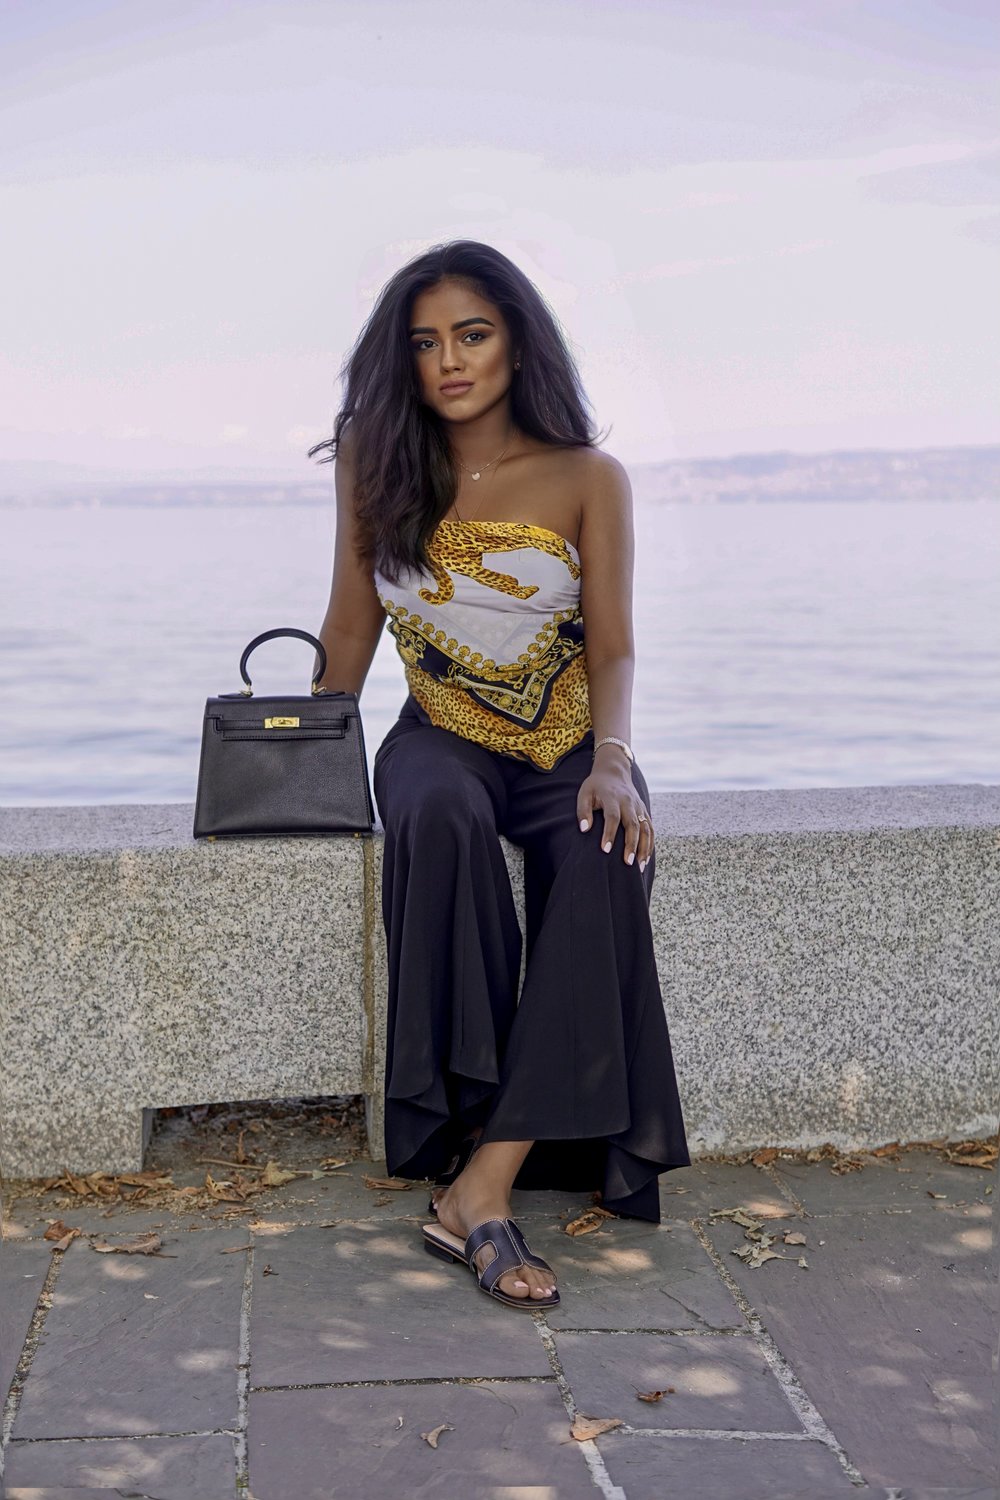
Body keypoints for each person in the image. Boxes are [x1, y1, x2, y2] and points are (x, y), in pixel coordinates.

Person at [309, 239, 690, 1311]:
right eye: (424, 342)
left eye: (471, 334)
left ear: (517, 345)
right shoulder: (372, 455)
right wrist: (304, 754)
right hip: (438, 729)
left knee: (607, 855)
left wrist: (612, 761)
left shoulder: (585, 476)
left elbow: (611, 644)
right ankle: (462, 1137)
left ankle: (486, 1182)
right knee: (433, 814)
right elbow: (350, 624)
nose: (448, 361)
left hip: (572, 738)